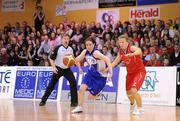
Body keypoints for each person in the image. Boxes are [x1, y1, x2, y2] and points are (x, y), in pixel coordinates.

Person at [71, 37, 113, 113]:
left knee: (90, 97)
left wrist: (111, 73)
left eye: (90, 44)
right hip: (91, 73)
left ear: (94, 44)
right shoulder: (84, 52)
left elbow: (107, 59)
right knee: (81, 89)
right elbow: (76, 60)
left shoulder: (96, 53)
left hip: (100, 77)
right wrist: (74, 64)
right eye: (86, 45)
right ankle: (79, 107)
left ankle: (98, 93)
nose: (88, 46)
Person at [39, 34, 79, 107]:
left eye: (67, 38)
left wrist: (74, 64)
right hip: (58, 69)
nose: (66, 40)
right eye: (64, 38)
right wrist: (53, 67)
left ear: (69, 40)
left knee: (73, 82)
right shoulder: (57, 48)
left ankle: (74, 102)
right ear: (62, 40)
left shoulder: (71, 49)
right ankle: (43, 101)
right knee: (51, 85)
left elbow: (74, 58)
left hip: (67, 70)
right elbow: (51, 58)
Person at [111, 35, 146, 115]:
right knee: (128, 92)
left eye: (123, 42)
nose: (121, 44)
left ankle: (140, 108)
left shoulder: (131, 48)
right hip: (130, 74)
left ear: (127, 42)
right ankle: (132, 104)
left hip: (139, 71)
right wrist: (107, 69)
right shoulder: (121, 52)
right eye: (120, 42)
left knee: (134, 89)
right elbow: (115, 62)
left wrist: (130, 55)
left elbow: (139, 51)